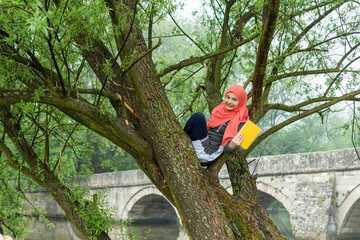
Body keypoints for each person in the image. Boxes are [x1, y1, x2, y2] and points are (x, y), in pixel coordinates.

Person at [184, 84, 249, 166]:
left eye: (234, 100)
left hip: (208, 153)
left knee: (198, 116)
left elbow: (227, 150)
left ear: (240, 102)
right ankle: (180, 139)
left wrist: (232, 146)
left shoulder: (241, 120)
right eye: (228, 97)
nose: (229, 102)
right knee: (198, 118)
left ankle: (180, 139)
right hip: (205, 140)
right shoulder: (221, 109)